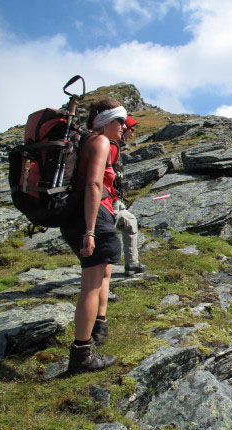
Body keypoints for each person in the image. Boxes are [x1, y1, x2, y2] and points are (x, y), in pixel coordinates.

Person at [60, 97, 126, 373]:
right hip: (93, 217)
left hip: (78, 215)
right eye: (120, 121)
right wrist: (90, 230)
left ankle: (93, 335)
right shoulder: (99, 142)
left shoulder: (83, 142)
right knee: (91, 285)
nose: (123, 127)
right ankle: (82, 354)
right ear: (107, 122)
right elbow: (93, 183)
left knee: (98, 279)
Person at [111, 115, 146, 276]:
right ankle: (100, 275)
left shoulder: (115, 147)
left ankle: (132, 263)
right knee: (105, 235)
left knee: (130, 222)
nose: (133, 134)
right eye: (132, 130)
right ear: (124, 128)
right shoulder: (109, 146)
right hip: (106, 200)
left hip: (115, 198)